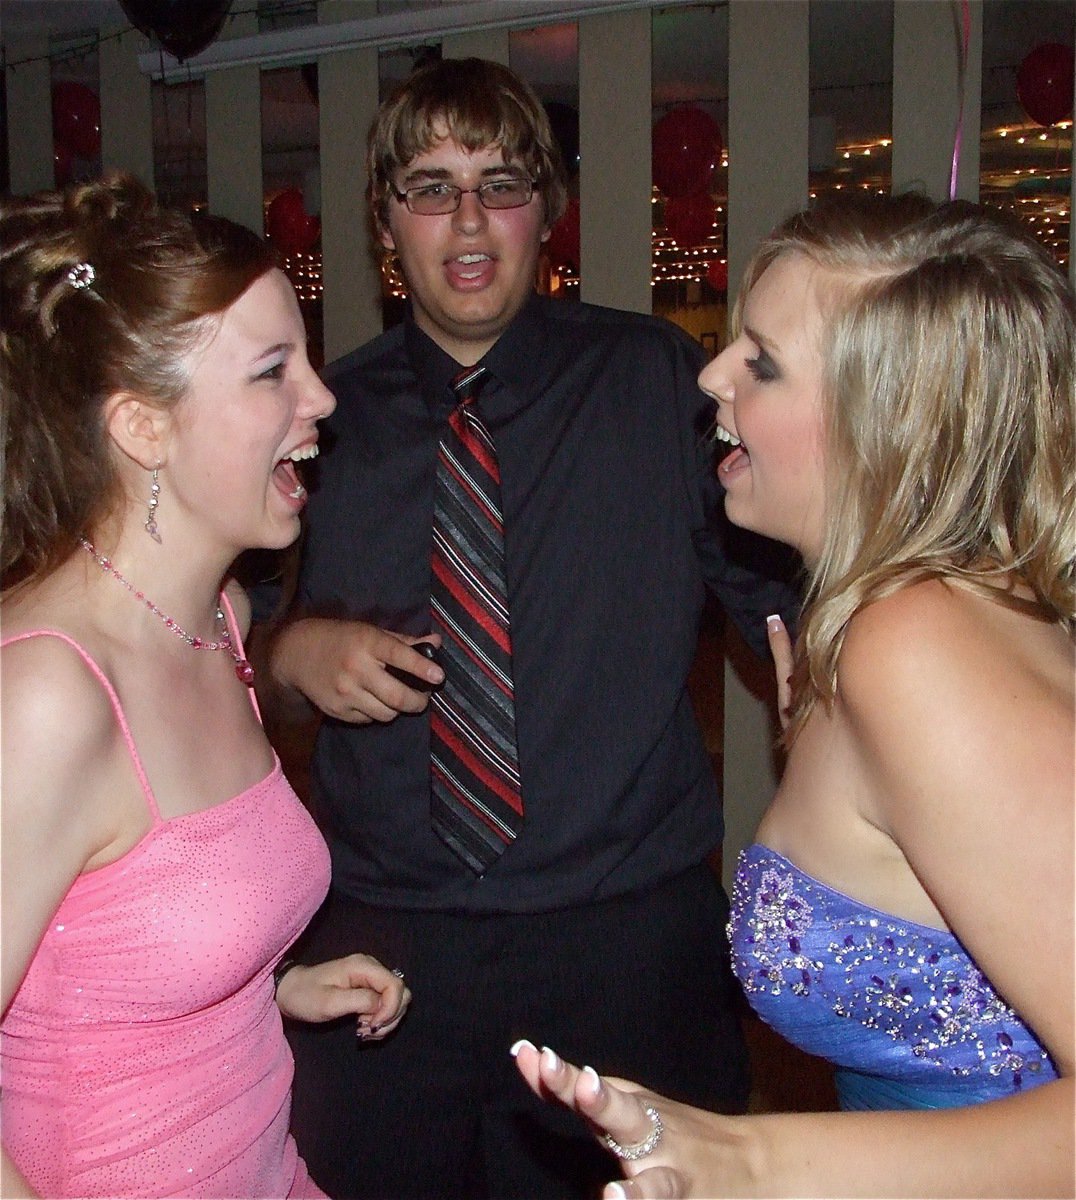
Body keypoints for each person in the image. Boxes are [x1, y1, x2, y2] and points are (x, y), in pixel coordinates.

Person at [263, 56, 799, 1200]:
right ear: (382, 219)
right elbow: (220, 661)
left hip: (625, 944)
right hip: (386, 955)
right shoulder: (317, 419)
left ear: (546, 212)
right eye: (429, 186)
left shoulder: (657, 382)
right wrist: (293, 655)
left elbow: (780, 603)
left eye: (499, 183)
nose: (466, 219)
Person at [513, 192, 1075, 1197]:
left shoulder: (913, 649)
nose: (712, 375)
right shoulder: (907, 621)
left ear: (884, 419)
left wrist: (747, 1156)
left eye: (760, 363)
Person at [0, 174, 411, 1199]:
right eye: (274, 371)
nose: (320, 398)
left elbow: (116, 937)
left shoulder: (220, 618)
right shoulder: (47, 695)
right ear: (144, 428)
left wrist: (266, 989)